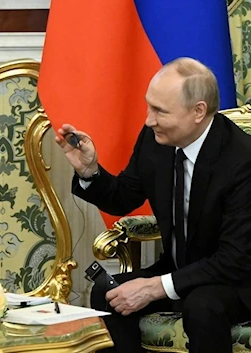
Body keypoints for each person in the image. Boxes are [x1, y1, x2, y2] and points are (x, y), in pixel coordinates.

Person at [56, 57, 251, 353]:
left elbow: (234, 259)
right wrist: (89, 172)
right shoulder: (155, 139)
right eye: (149, 106)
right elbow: (124, 197)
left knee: (203, 306)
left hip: (237, 281)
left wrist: (156, 287)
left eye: (160, 111)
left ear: (198, 111)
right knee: (108, 292)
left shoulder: (242, 160)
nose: (149, 120)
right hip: (181, 270)